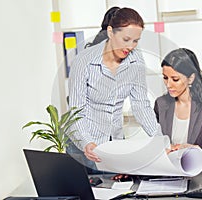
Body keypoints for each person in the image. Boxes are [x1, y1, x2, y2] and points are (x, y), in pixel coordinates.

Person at [67, 7, 162, 173]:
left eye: (135, 41)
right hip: (84, 145)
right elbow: (76, 111)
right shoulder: (84, 60)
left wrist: (160, 140)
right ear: (110, 32)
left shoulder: (135, 60)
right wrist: (86, 143)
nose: (130, 46)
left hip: (115, 144)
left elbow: (141, 104)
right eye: (126, 39)